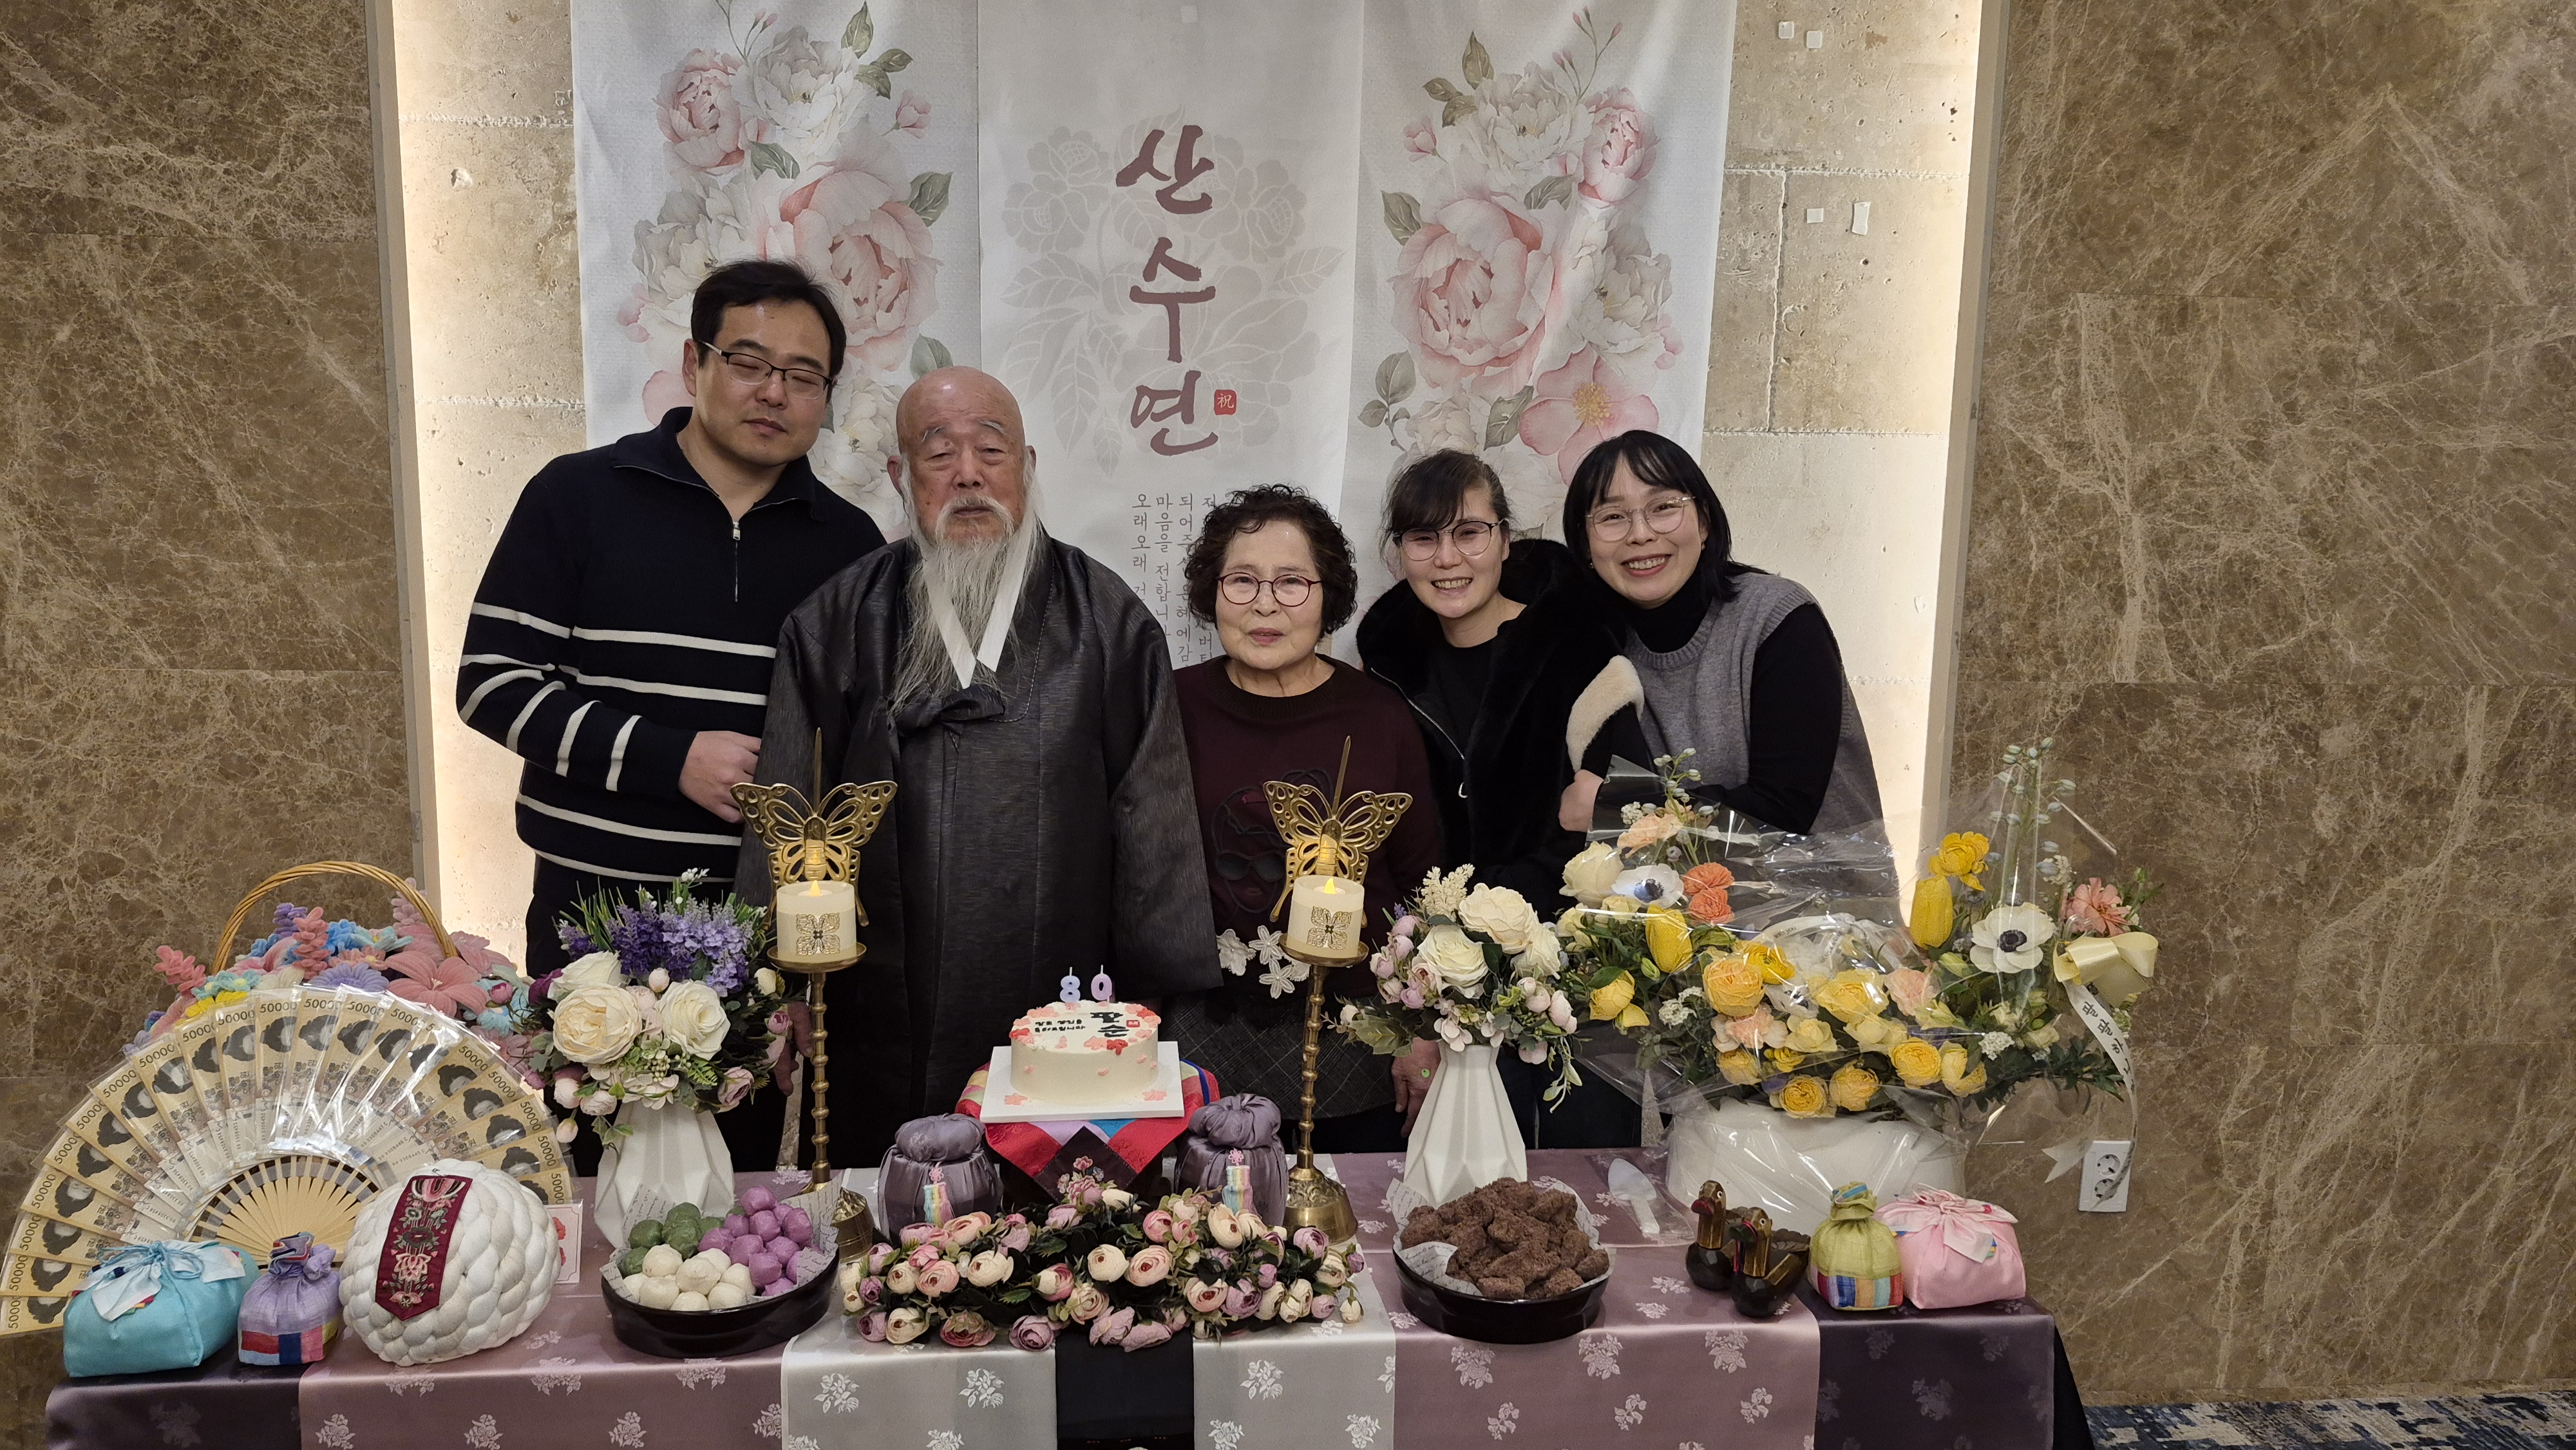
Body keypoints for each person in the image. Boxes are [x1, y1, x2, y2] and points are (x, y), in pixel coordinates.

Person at [740, 366, 1219, 1163]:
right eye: (939, 453)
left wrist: (1151, 997)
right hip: (877, 993)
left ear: (1027, 466)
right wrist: (777, 981)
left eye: (991, 451)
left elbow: (1153, 811)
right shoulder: (838, 617)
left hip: (1067, 997)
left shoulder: (1107, 619)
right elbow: (787, 800)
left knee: (1057, 1209)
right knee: (892, 1198)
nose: (968, 474)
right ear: (900, 475)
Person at [455, 257, 886, 970]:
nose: (774, 392)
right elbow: (492, 685)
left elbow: (864, 738)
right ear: (694, 363)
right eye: (748, 363)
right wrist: (670, 757)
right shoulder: (578, 496)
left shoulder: (851, 544)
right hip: (591, 916)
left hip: (770, 925)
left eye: (804, 376)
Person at [1353, 449, 1638, 1147]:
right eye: (1424, 538)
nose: (1448, 558)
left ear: (1505, 539)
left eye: (1469, 532)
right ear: (1399, 553)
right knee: (1455, 1176)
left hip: (1575, 972)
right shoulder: (1388, 671)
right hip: (1441, 983)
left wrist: (1500, 915)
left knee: (1582, 1173)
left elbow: (1624, 814)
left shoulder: (1575, 652)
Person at [1163, 487, 1443, 1151]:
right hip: (1201, 1035)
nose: (1265, 604)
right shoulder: (1171, 706)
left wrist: (1426, 1029)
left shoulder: (1379, 717)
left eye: (1291, 582)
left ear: (1327, 597)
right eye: (1242, 580)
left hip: (1356, 1037)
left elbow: (1425, 887)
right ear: (1211, 592)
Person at [1555, 429, 1883, 838]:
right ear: (1585, 545)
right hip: (1671, 882)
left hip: (1820, 878)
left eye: (1663, 507)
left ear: (1704, 522)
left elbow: (1785, 810)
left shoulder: (1777, 617)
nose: (1640, 533)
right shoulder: (1595, 646)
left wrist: (1617, 810)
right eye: (1612, 517)